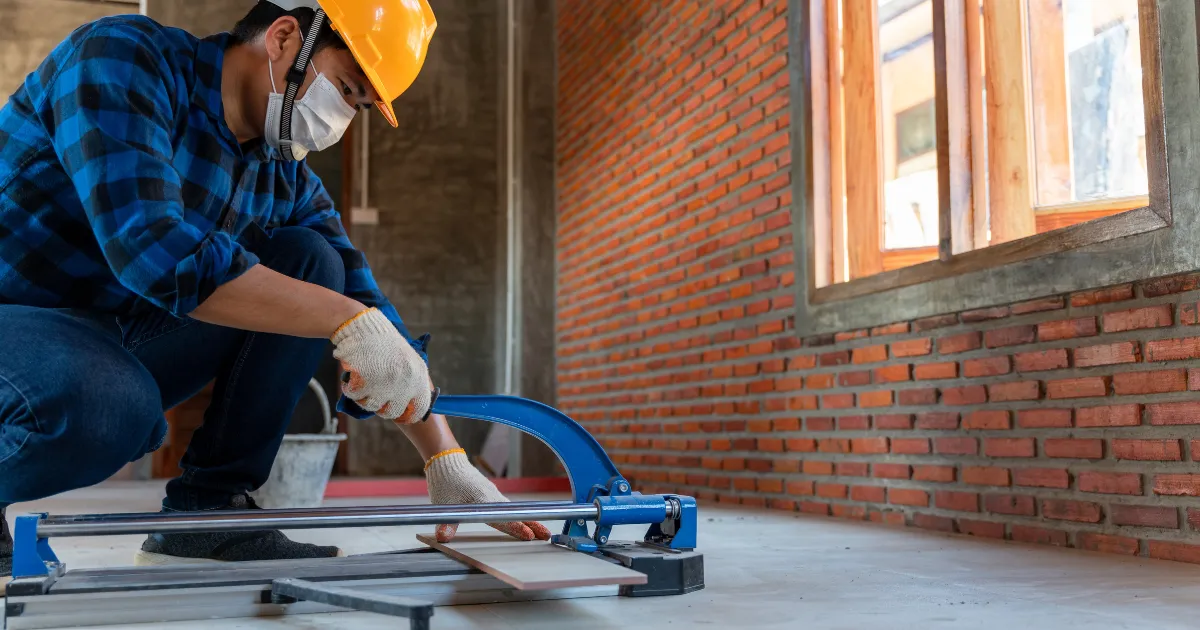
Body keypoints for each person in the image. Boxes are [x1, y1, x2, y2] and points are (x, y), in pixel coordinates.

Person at [0, 0, 549, 578]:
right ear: (284, 37)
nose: (340, 118)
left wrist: (444, 456)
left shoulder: (280, 173)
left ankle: (209, 517)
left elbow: (365, 310)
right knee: (111, 406)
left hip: (109, 336)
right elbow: (153, 251)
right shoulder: (124, 59)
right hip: (18, 321)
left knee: (310, 261)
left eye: (357, 106)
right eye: (344, 87)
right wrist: (343, 320)